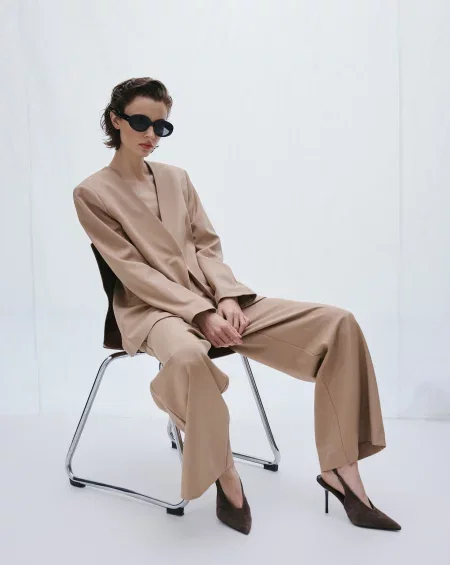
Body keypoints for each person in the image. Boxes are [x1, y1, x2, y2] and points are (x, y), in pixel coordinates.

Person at [73, 77, 401, 535]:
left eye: (162, 127)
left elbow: (206, 245)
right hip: (153, 310)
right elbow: (133, 272)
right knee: (189, 359)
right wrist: (199, 314)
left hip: (215, 298)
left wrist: (225, 297)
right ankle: (224, 473)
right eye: (141, 122)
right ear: (115, 120)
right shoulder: (92, 193)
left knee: (337, 324)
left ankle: (342, 471)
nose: (151, 134)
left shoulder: (177, 179)